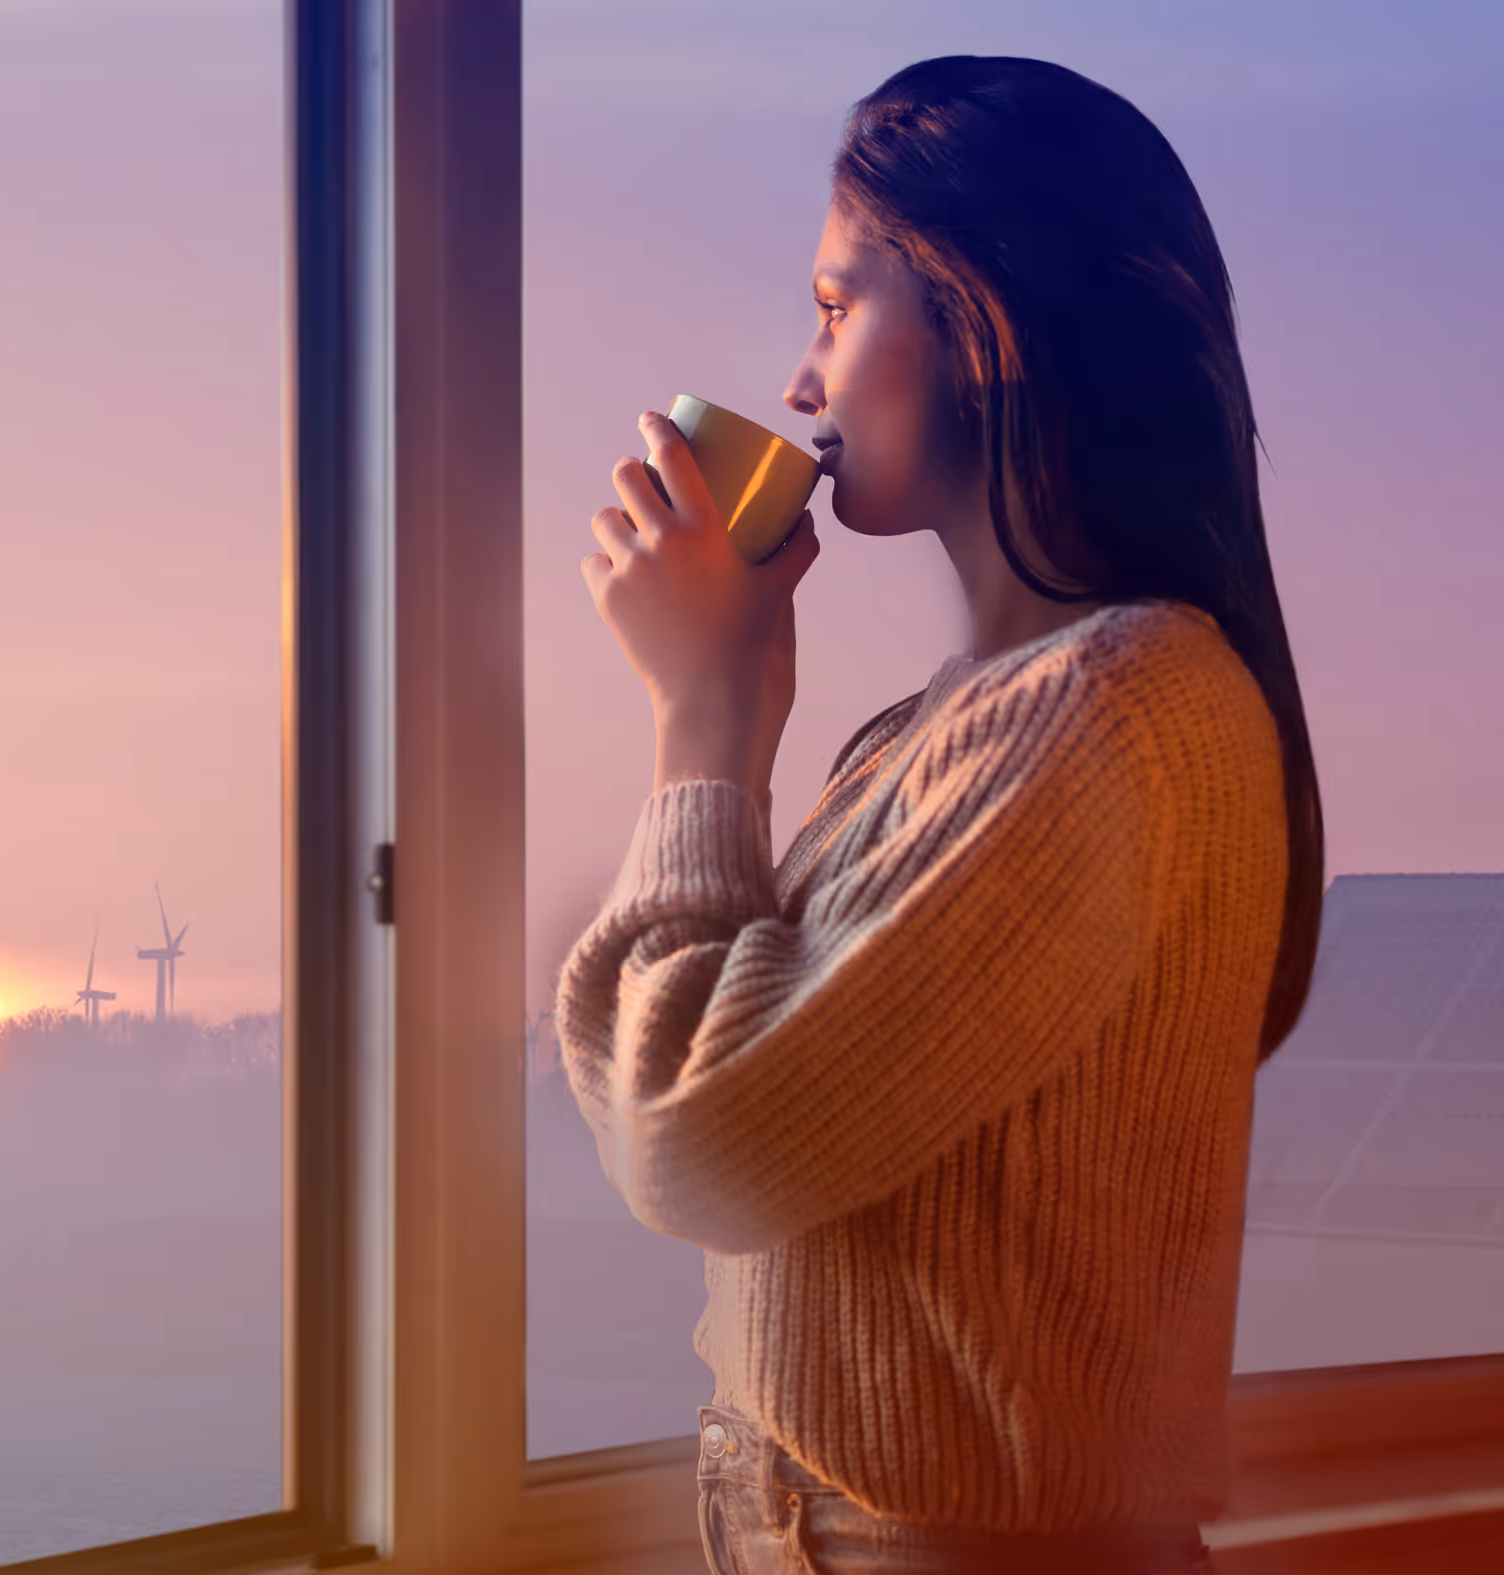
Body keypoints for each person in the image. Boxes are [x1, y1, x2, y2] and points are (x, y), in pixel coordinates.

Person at [562, 54, 1323, 1575]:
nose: (798, 379)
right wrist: (747, 712)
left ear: (981, 320)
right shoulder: (955, 727)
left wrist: (703, 723)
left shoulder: (1115, 710)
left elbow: (697, 1143)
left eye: (838, 308)